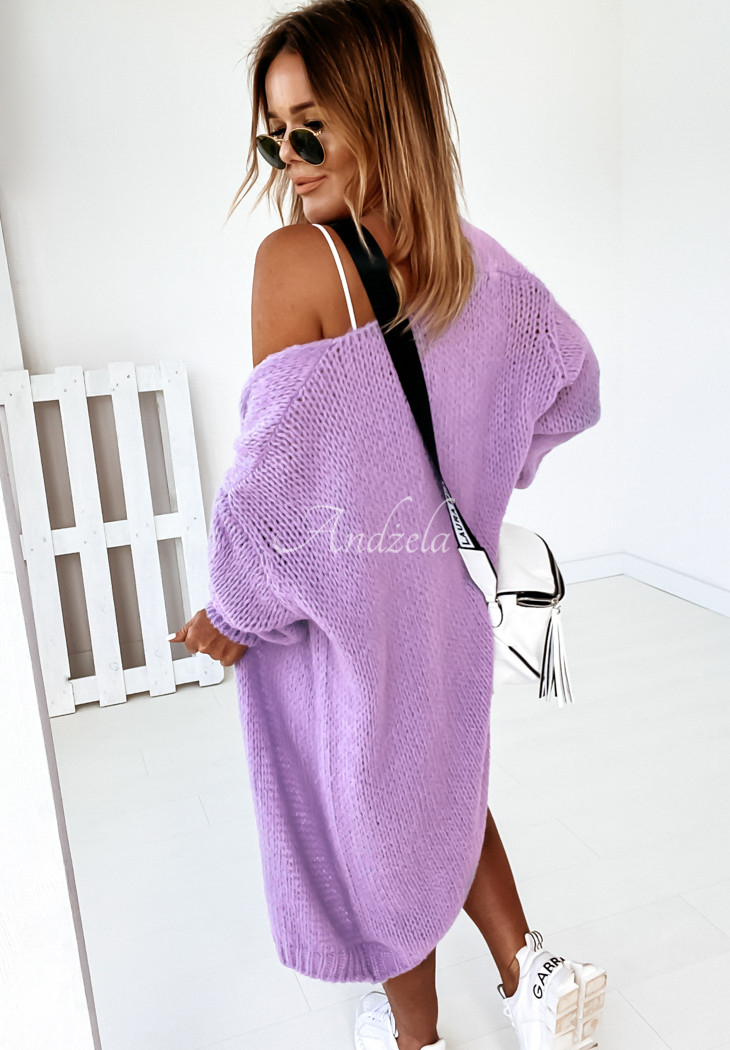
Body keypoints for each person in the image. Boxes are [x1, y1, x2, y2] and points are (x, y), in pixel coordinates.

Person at [169, 2, 607, 1048]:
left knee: (376, 821)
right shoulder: (474, 259)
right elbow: (571, 380)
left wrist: (232, 612)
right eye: (274, 135)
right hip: (444, 590)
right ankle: (530, 974)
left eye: (309, 126)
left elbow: (273, 497)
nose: (288, 157)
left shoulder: (298, 264)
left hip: (351, 612)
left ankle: (415, 1037)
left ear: (379, 110)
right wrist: (492, 476)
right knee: (436, 779)